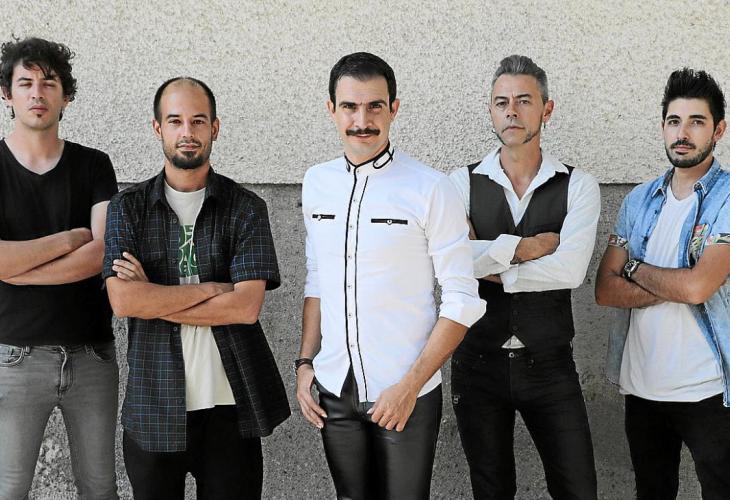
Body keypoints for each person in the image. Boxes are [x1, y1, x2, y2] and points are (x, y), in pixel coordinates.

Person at [295, 51, 485, 500]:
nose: (362, 121)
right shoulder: (316, 182)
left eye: (374, 106)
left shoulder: (431, 187)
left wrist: (410, 386)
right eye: (349, 107)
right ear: (331, 109)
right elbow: (318, 280)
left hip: (405, 390)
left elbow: (462, 299)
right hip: (334, 387)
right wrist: (305, 364)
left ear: (394, 108)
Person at [103, 77, 289, 500]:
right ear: (158, 128)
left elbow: (245, 308)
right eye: (175, 121)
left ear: (214, 128)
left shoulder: (246, 208)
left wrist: (152, 297)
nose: (187, 132)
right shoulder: (127, 208)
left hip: (230, 408)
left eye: (198, 121)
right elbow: (123, 300)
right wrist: (214, 289)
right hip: (154, 404)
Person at [449, 54, 600, 499]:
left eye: (523, 100)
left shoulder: (578, 185)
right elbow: (452, 264)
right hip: (477, 364)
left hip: (550, 365)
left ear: (546, 109)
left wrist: (490, 262)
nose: (511, 111)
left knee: (578, 489)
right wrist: (527, 249)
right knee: (491, 490)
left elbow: (570, 270)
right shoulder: (459, 183)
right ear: (491, 110)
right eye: (501, 102)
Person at [595, 68, 730, 500]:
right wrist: (677, 279)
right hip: (643, 387)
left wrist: (634, 268)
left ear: (718, 130)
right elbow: (604, 290)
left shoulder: (727, 198)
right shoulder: (638, 200)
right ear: (663, 128)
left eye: (696, 122)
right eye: (674, 121)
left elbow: (697, 289)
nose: (682, 133)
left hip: (709, 389)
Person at [0, 37, 119, 499]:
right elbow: (81, 247)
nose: (37, 93)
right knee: (9, 489)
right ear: (7, 94)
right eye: (25, 83)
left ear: (66, 95)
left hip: (92, 356)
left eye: (49, 83)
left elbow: (100, 253)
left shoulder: (94, 165)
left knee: (100, 488)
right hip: (13, 356)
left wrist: (16, 268)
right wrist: (67, 239)